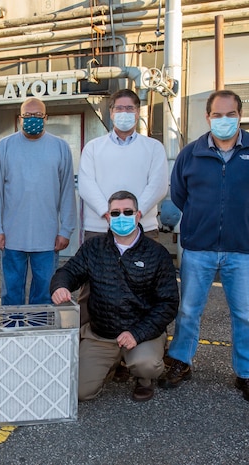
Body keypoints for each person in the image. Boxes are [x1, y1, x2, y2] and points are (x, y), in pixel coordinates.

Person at [159, 89, 249, 404]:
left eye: (230, 114)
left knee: (245, 314)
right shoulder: (191, 153)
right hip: (198, 247)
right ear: (208, 117)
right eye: (217, 114)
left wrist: (245, 220)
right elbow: (181, 195)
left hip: (241, 249)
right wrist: (202, 222)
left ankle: (247, 373)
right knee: (188, 310)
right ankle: (182, 362)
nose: (223, 120)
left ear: (240, 116)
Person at [50, 191, 179, 402]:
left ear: (138, 216)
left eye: (127, 212)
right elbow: (69, 272)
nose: (122, 217)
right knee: (79, 392)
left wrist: (137, 333)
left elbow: (168, 303)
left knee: (147, 365)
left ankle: (143, 379)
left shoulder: (157, 253)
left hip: (140, 334)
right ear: (107, 217)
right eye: (115, 213)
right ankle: (111, 365)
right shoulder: (94, 247)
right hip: (102, 334)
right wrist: (60, 286)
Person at [77, 88, 169, 325]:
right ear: (111, 113)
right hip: (99, 228)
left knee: (146, 287)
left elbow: (158, 185)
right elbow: (86, 184)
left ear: (138, 113)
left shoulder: (153, 148)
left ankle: (146, 342)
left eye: (129, 108)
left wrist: (133, 216)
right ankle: (86, 342)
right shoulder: (94, 147)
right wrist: (109, 214)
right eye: (119, 108)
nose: (124, 113)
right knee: (92, 288)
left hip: (143, 228)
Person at [0, 97, 77, 305]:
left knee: (45, 292)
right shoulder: (4, 147)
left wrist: (66, 230)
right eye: (28, 116)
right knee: (12, 292)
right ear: (20, 118)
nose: (33, 119)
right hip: (11, 236)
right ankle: (13, 332)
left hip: (47, 237)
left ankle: (39, 334)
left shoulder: (60, 147)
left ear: (46, 118)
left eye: (38, 115)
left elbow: (67, 191)